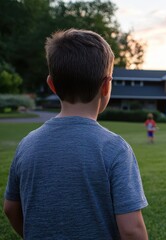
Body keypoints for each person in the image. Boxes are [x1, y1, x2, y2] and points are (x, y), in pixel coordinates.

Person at [3, 29, 148, 239]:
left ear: (51, 85)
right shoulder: (115, 149)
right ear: (106, 86)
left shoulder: (27, 144)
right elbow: (131, 229)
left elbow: (10, 208)